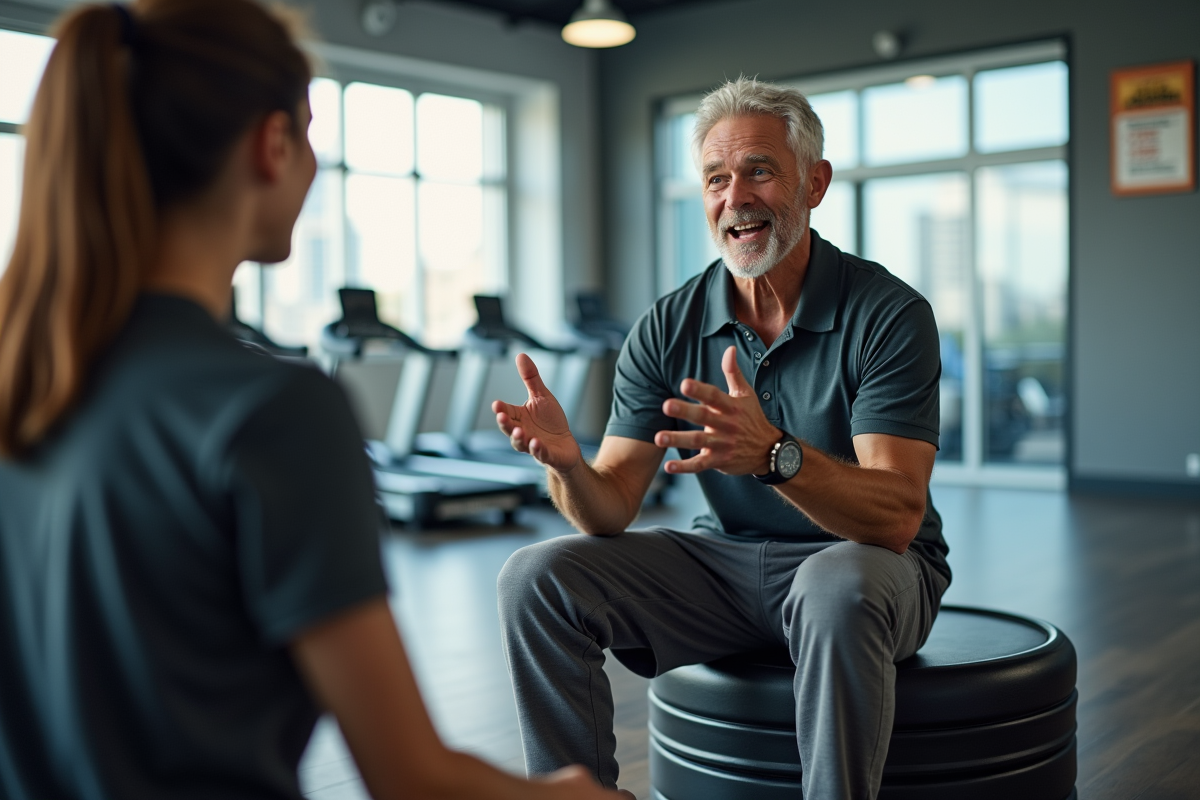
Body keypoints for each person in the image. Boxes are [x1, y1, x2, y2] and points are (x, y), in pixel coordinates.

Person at [0, 3, 622, 799]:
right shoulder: (277, 412)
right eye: (312, 132)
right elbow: (412, 780)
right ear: (274, 144)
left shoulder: (27, 385)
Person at [493, 77, 952, 800]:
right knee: (535, 576)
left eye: (760, 171)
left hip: (867, 566)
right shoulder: (667, 325)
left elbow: (895, 518)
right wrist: (569, 467)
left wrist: (776, 455)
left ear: (815, 182)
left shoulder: (888, 313)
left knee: (835, 585)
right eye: (716, 178)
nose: (735, 197)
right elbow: (609, 507)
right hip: (728, 564)